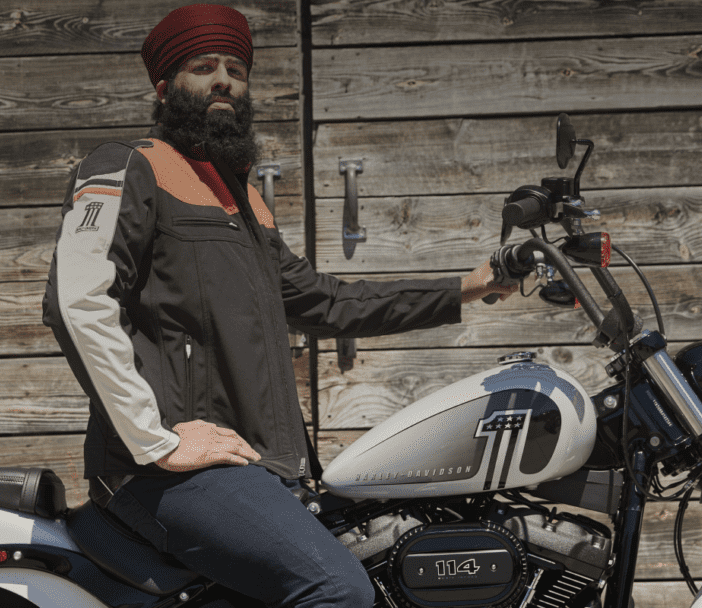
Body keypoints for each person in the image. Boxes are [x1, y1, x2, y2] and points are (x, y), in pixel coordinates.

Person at [41, 4, 515, 606]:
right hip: (166, 470)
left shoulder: (243, 203)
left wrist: (463, 289)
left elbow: (327, 302)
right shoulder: (129, 166)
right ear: (164, 89)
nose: (224, 81)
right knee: (338, 592)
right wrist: (157, 439)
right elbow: (78, 301)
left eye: (236, 70)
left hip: (250, 463)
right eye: (203, 66)